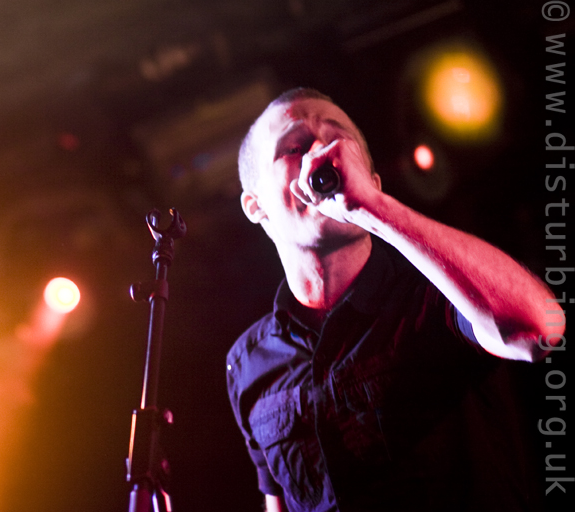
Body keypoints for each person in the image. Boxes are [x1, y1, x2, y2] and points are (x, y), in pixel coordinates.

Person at [226, 87, 563, 512]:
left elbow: (540, 328)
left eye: (336, 140)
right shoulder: (248, 362)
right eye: (294, 147)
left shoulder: (436, 292)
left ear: (371, 182)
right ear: (255, 205)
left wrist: (372, 207)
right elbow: (279, 500)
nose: (318, 153)